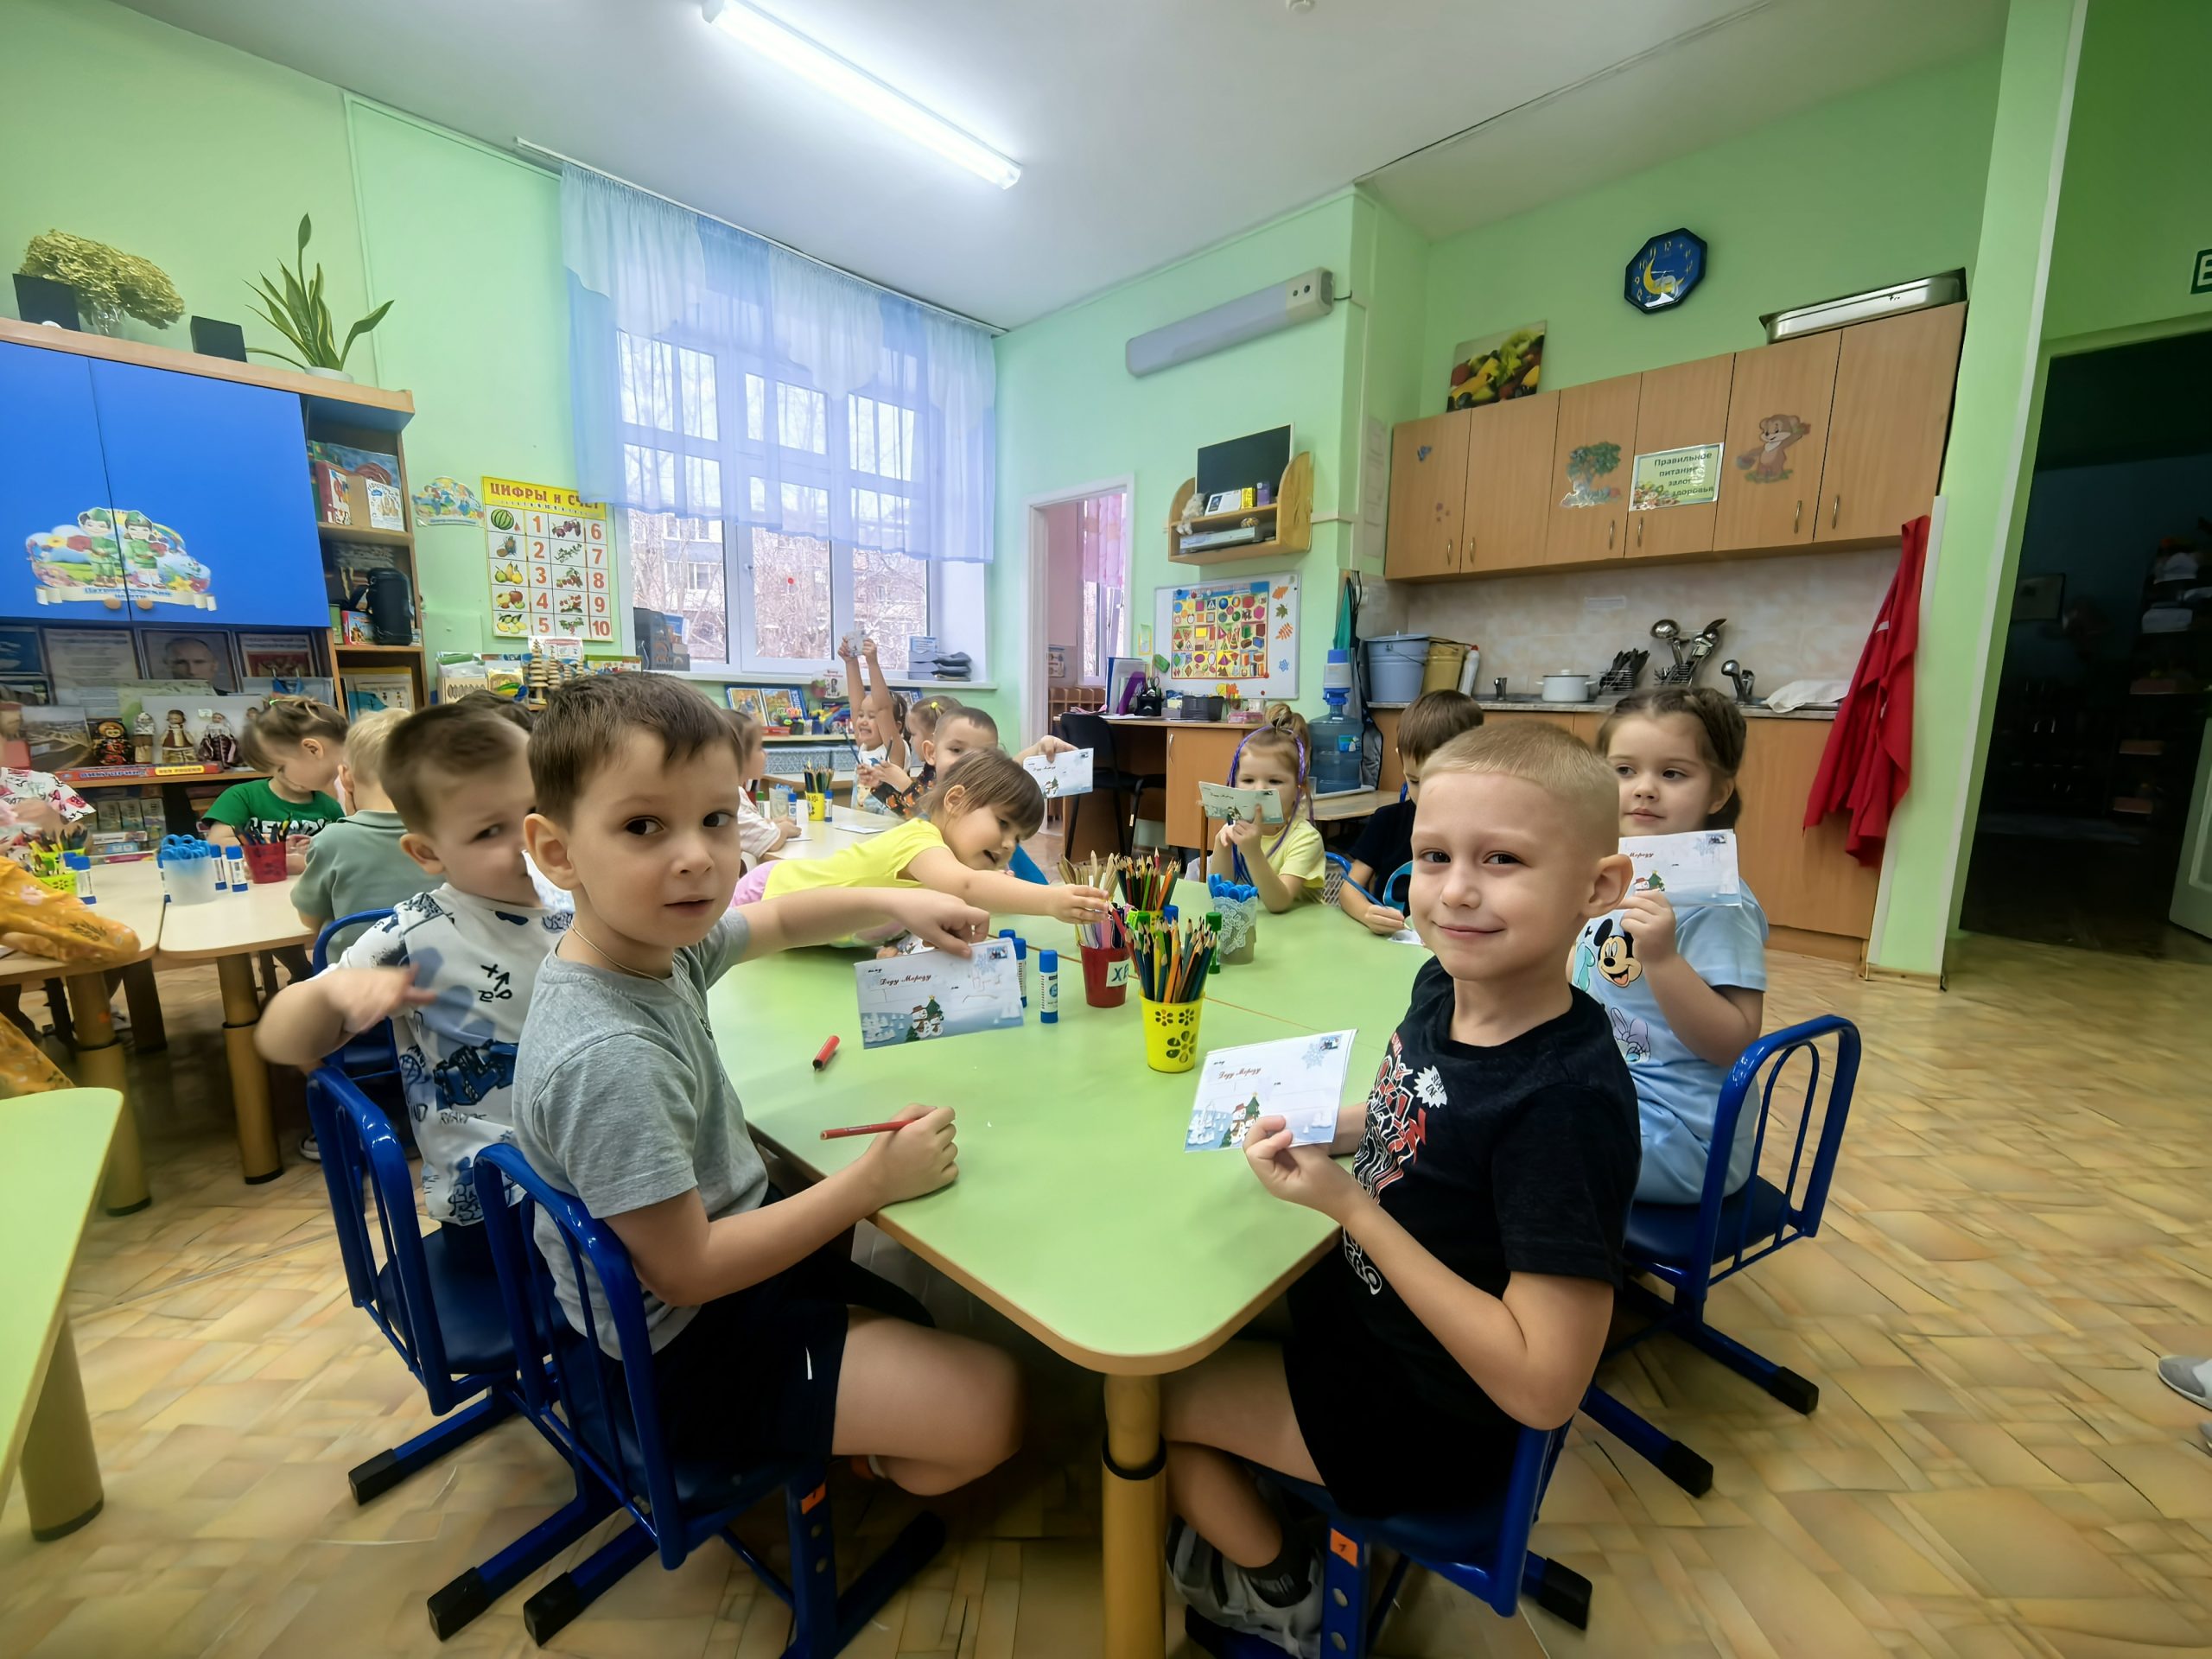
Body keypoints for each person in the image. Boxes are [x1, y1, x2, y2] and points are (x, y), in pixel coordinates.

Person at [1159, 723, 1639, 1656]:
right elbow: (1416, 1109)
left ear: (1598, 888)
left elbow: (1543, 1387)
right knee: (1184, 1293)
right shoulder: (1442, 984)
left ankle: (1284, 1589)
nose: (1454, 890)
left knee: (1143, 1409)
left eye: (1503, 860)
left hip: (1426, 1413)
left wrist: (1349, 1207)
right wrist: (1325, 1126)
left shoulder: (1564, 1108)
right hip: (1365, 1319)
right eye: (1434, 855)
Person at [512, 672, 1023, 1496]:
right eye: (644, 826)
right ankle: (831, 1462)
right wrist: (872, 1183)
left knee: (915, 1313)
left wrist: (904, 903)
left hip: (720, 1263)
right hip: (683, 1348)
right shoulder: (609, 1053)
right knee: (992, 1403)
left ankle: (846, 1420)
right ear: (556, 851)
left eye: (716, 819)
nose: (697, 857)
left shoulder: (649, 947)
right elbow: (688, 1271)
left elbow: (780, 918)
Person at [256, 700, 561, 1215]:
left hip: (609, 1165)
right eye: (490, 831)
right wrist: (333, 996)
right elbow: (279, 1037)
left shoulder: (589, 900)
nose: (530, 842)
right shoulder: (413, 933)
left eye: (539, 811)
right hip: (500, 1199)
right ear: (428, 853)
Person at [1572, 688, 1766, 1203]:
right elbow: (1583, 972)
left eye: (1673, 774)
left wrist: (1662, 958)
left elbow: (1734, 1044)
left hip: (1684, 1138)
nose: (1644, 789)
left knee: (1512, 1139)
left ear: (1718, 794)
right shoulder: (1614, 874)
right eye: (1624, 770)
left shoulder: (1720, 905)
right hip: (1605, 1093)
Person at [731, 749, 1113, 938]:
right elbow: (967, 886)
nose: (1009, 844)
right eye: (1003, 824)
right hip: (767, 894)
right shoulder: (920, 839)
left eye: (1019, 837)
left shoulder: (949, 860)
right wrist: (1050, 901)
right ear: (955, 800)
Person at [1338, 690, 1484, 937]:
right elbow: (1349, 890)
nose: (1427, 796)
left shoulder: (1484, 829)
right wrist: (1366, 913)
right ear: (1402, 759)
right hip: (1390, 945)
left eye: (1442, 784)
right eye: (1415, 781)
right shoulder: (1388, 821)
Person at [290, 707, 423, 954]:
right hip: (442, 971)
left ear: (345, 777)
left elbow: (310, 919)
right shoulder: (447, 834)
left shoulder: (331, 840)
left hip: (355, 975)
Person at [1208, 704, 1324, 913]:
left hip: (1299, 930)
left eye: (1275, 781)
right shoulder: (1238, 830)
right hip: (1256, 927)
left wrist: (1253, 852)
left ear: (1298, 790)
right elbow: (1221, 896)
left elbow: (1278, 903)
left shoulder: (1306, 838)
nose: (1259, 789)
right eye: (1248, 780)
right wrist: (1222, 845)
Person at [209, 699, 349, 855]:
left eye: (282, 768)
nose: (280, 775)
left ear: (312, 749)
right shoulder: (242, 797)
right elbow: (216, 842)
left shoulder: (333, 799)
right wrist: (268, 845)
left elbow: (345, 846)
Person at [838, 636, 907, 816]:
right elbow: (856, 705)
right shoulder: (864, 745)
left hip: (890, 827)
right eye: (862, 716)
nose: (862, 721)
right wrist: (851, 662)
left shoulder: (895, 749)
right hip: (861, 825)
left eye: (872, 716)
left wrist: (872, 663)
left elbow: (883, 708)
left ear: (896, 726)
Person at [727, 706, 796, 870]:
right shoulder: (729, 799)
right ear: (739, 757)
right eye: (759, 748)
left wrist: (771, 822)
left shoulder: (737, 791)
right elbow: (771, 840)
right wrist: (784, 829)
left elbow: (748, 827)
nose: (766, 754)